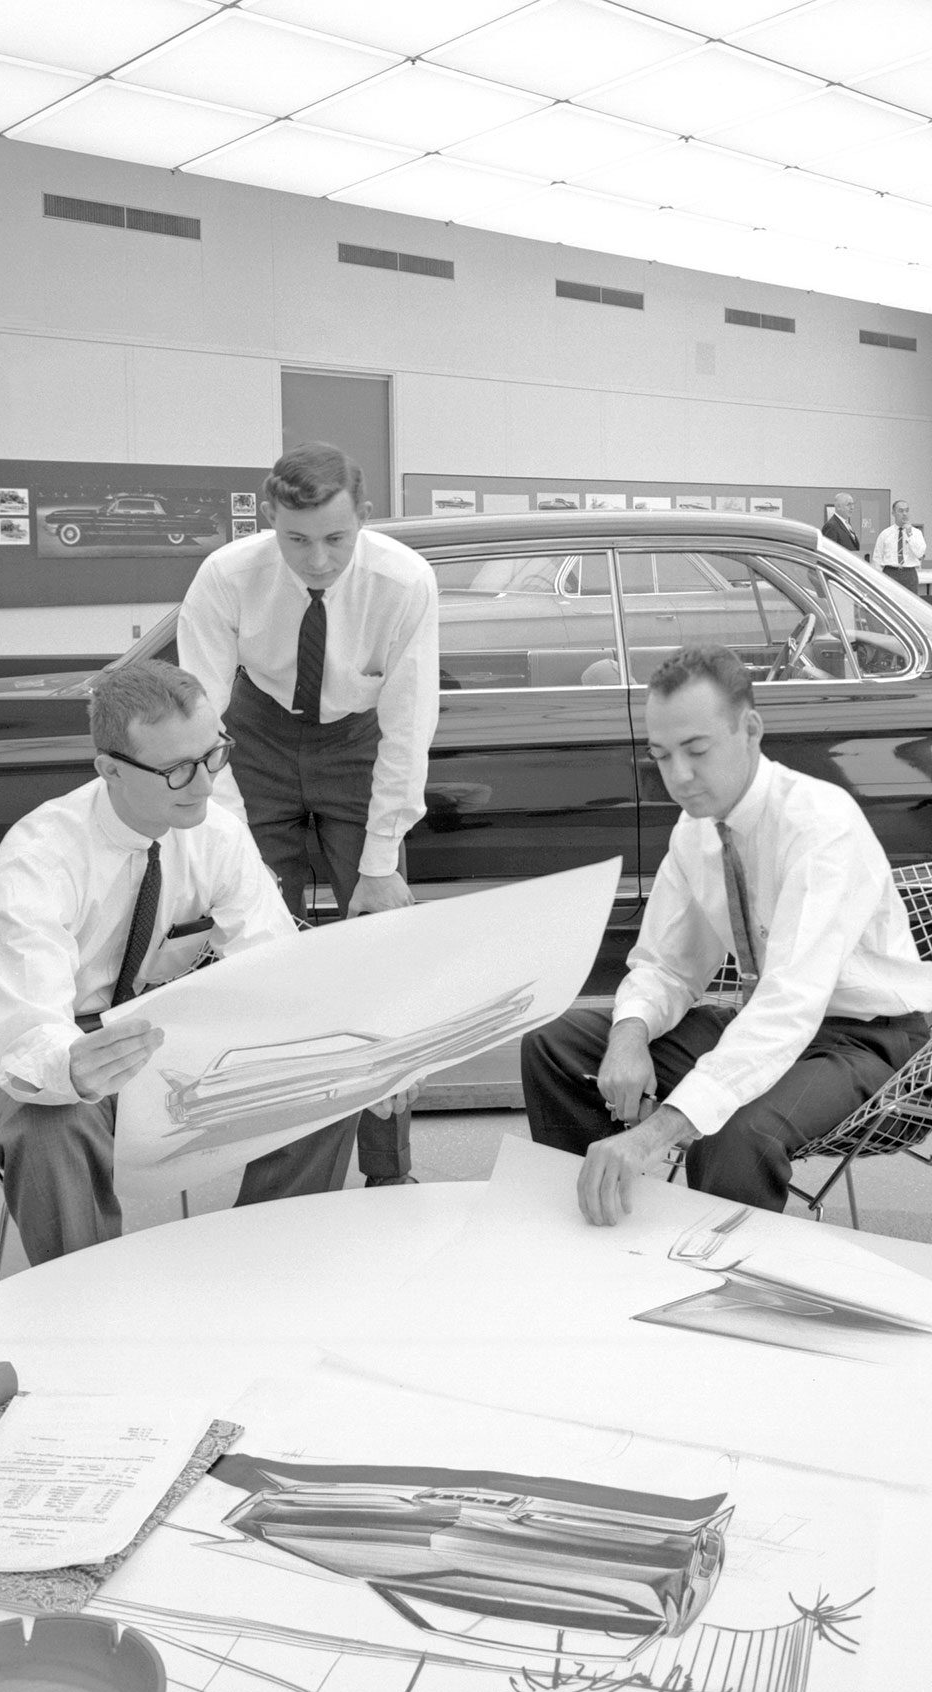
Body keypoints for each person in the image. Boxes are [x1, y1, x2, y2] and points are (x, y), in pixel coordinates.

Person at [0, 658, 401, 1266]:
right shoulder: (39, 857)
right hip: (31, 1042)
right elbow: (26, 1035)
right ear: (109, 770)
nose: (203, 784)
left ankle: (265, 1276)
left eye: (213, 754)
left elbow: (273, 971)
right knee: (52, 1123)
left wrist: (355, 1055)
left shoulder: (216, 832)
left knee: (326, 1084)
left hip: (157, 1028)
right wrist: (74, 1070)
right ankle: (85, 1307)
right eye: (176, 770)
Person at [520, 645, 932, 1227]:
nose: (678, 777)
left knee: (732, 1134)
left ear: (751, 730)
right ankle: (599, 1237)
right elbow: (667, 966)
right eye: (661, 756)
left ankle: (723, 1289)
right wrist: (629, 1036)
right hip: (760, 1018)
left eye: (697, 750)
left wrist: (655, 1133)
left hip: (866, 1039)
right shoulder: (696, 831)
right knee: (559, 1045)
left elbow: (790, 1005)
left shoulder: (820, 825)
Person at [177, 441, 440, 1188]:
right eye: (296, 540)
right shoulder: (226, 576)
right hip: (251, 735)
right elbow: (201, 719)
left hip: (358, 742)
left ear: (364, 517)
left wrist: (382, 860)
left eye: (335, 539)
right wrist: (236, 858)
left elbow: (408, 723)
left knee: (381, 952)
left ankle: (389, 1178)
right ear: (270, 520)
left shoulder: (403, 581)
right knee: (260, 962)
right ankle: (282, 1181)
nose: (317, 560)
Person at [872, 500, 926, 593]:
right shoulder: (885, 534)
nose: (904, 514)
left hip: (909, 574)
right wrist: (876, 579)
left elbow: (920, 553)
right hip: (890, 573)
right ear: (893, 513)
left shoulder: (916, 533)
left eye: (907, 510)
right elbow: (877, 558)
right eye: (901, 511)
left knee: (910, 604)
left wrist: (910, 535)